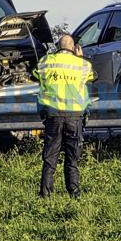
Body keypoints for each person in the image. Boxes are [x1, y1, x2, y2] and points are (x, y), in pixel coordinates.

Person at [33, 35, 96, 198]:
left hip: (53, 116)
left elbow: (34, 75)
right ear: (74, 47)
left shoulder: (46, 62)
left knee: (50, 157)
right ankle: (74, 193)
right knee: (72, 157)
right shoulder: (82, 65)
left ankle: (45, 193)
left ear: (57, 46)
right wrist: (80, 58)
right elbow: (93, 77)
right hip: (74, 116)